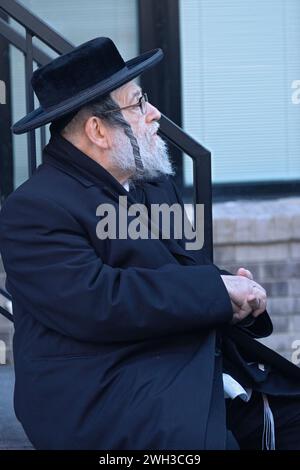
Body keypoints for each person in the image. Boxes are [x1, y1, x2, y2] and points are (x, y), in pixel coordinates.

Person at [0, 37, 299, 450]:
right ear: (98, 130)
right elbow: (99, 302)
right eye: (138, 103)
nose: (154, 113)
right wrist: (215, 291)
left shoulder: (153, 185)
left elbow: (185, 269)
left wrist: (234, 295)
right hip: (102, 394)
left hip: (186, 367)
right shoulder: (33, 209)